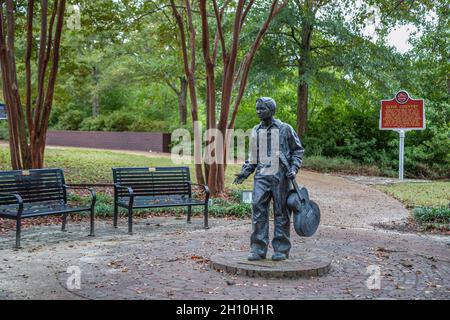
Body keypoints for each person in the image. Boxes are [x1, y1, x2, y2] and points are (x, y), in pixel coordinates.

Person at [233, 97, 304, 261]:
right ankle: (258, 248)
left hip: (281, 176)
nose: (258, 112)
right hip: (261, 176)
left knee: (281, 212)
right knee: (258, 209)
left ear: (271, 110)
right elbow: (253, 156)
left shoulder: (285, 129)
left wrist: (294, 169)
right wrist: (245, 172)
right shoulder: (256, 130)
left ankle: (281, 249)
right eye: (257, 109)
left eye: (262, 109)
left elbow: (298, 151)